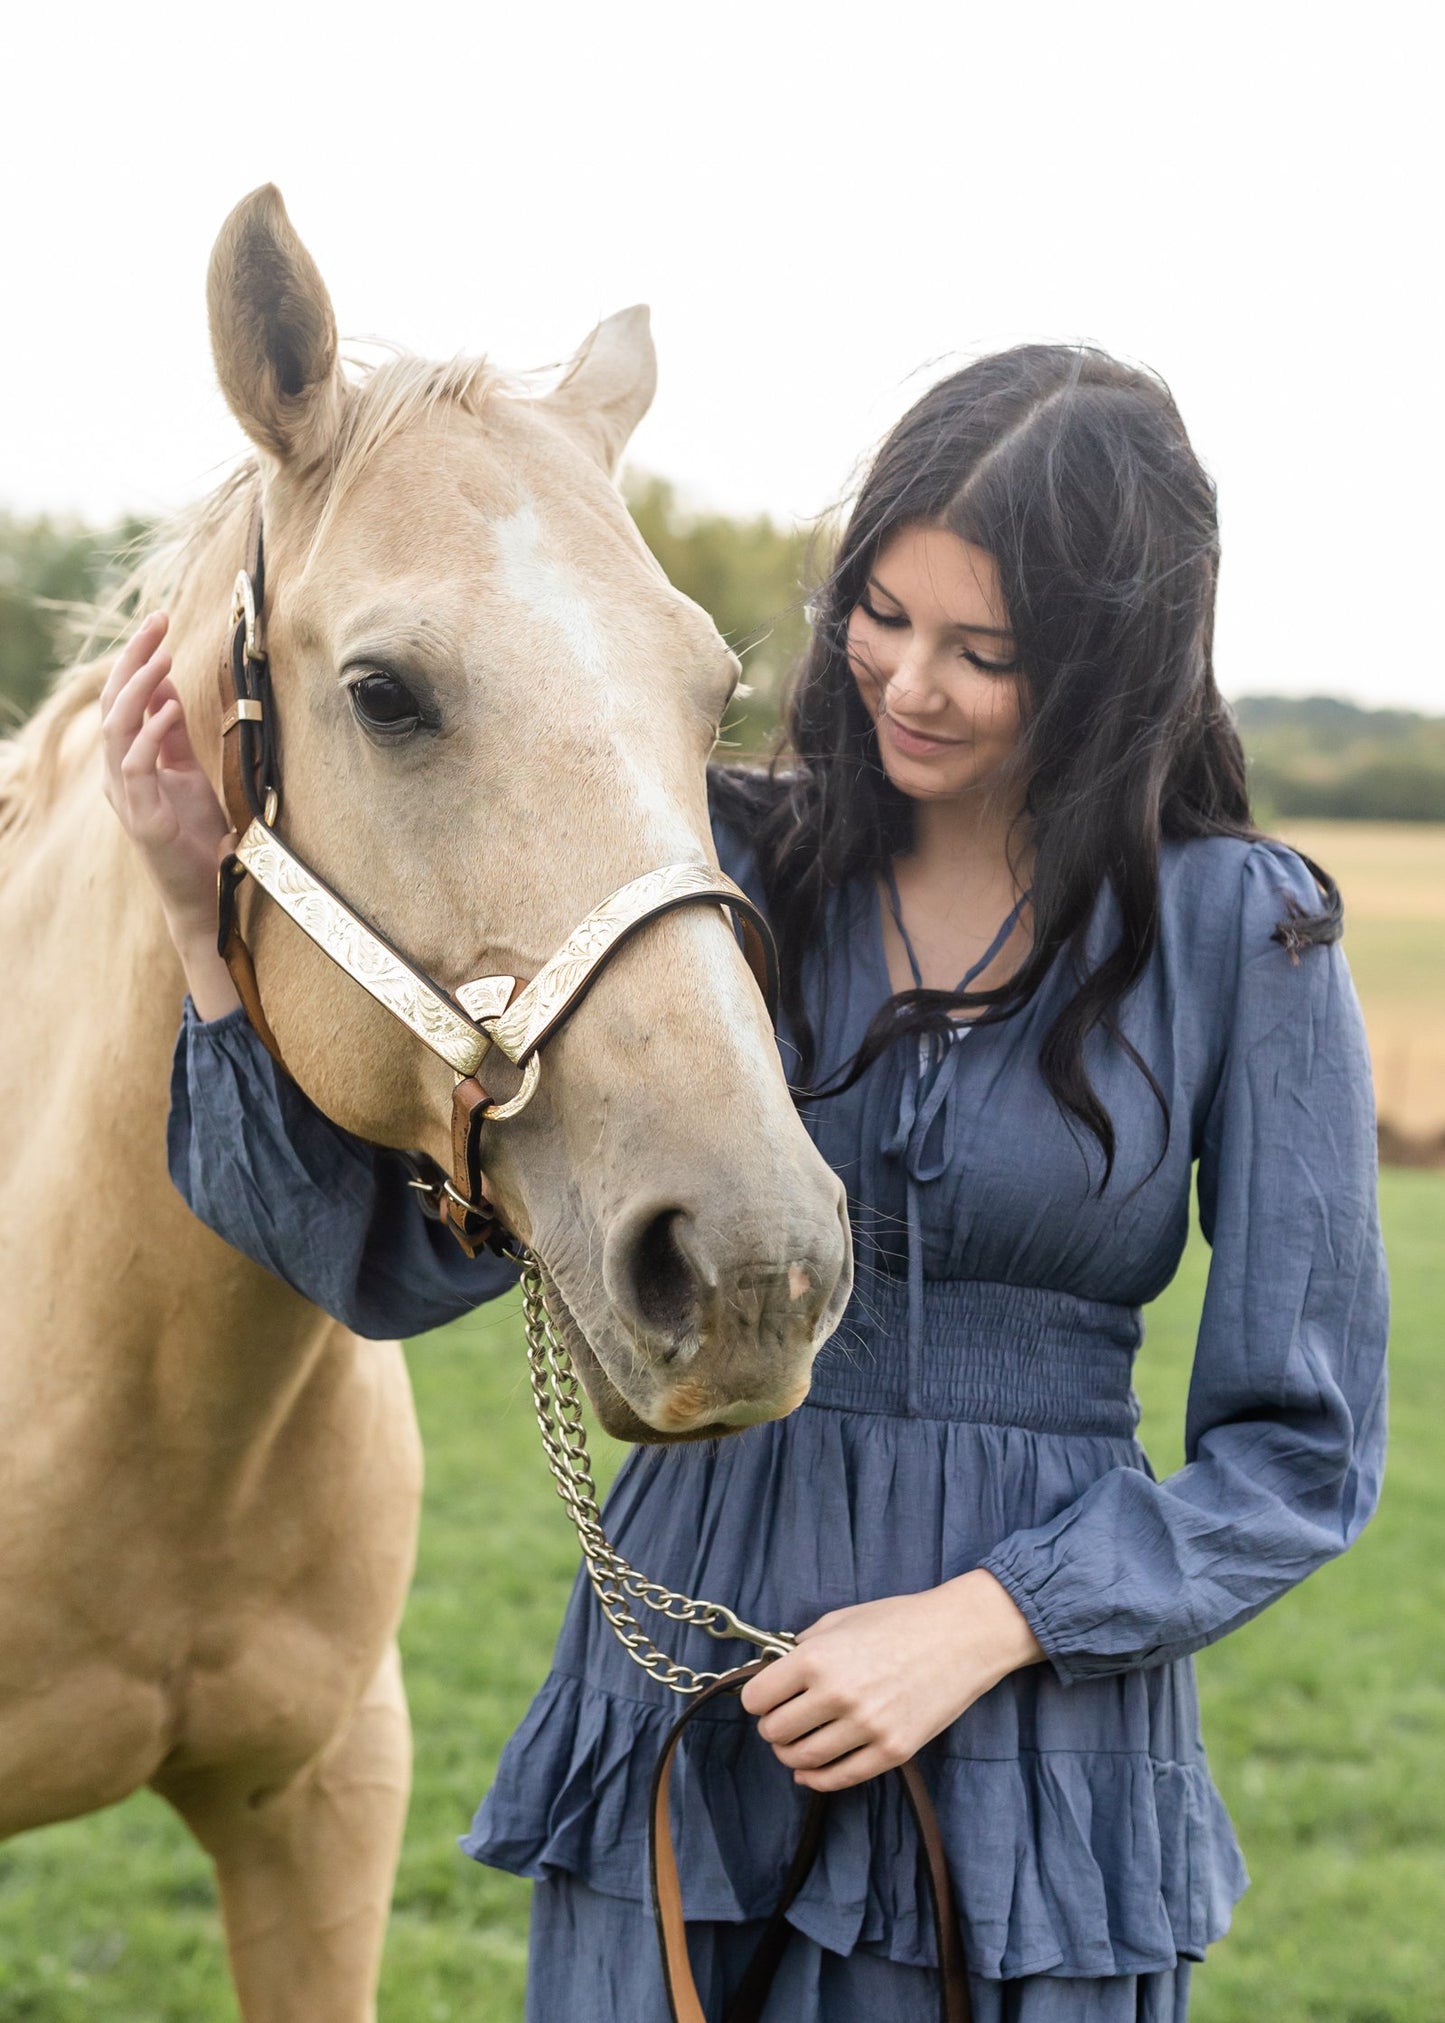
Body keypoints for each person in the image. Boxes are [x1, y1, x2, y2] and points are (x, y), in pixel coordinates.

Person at [102, 343, 1388, 2022]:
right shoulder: (714, 868)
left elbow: (1301, 1453)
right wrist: (208, 932)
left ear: (1105, 666)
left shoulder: (1241, 934)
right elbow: (387, 1275)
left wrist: (988, 1623)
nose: (907, 682)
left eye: (982, 652)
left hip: (1031, 1743)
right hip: (685, 1716)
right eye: (882, 615)